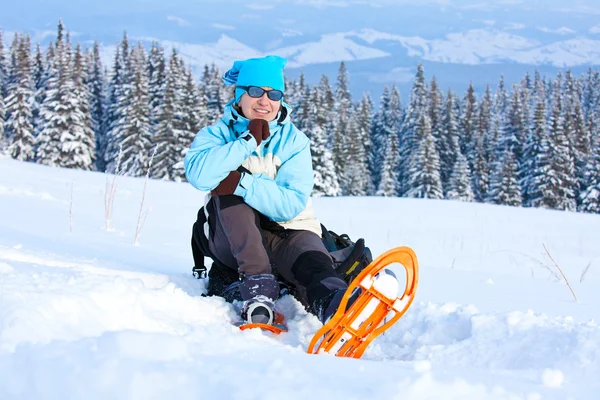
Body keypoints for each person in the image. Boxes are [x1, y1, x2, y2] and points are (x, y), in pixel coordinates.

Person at [184, 55, 351, 325]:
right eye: (255, 91)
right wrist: (247, 141)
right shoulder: (216, 135)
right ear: (239, 95)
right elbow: (200, 176)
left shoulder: (293, 141)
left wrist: (242, 182)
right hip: (232, 241)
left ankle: (336, 304)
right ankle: (258, 292)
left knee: (310, 256)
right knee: (226, 195)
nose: (265, 101)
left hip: (287, 232)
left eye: (273, 93)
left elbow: (290, 204)